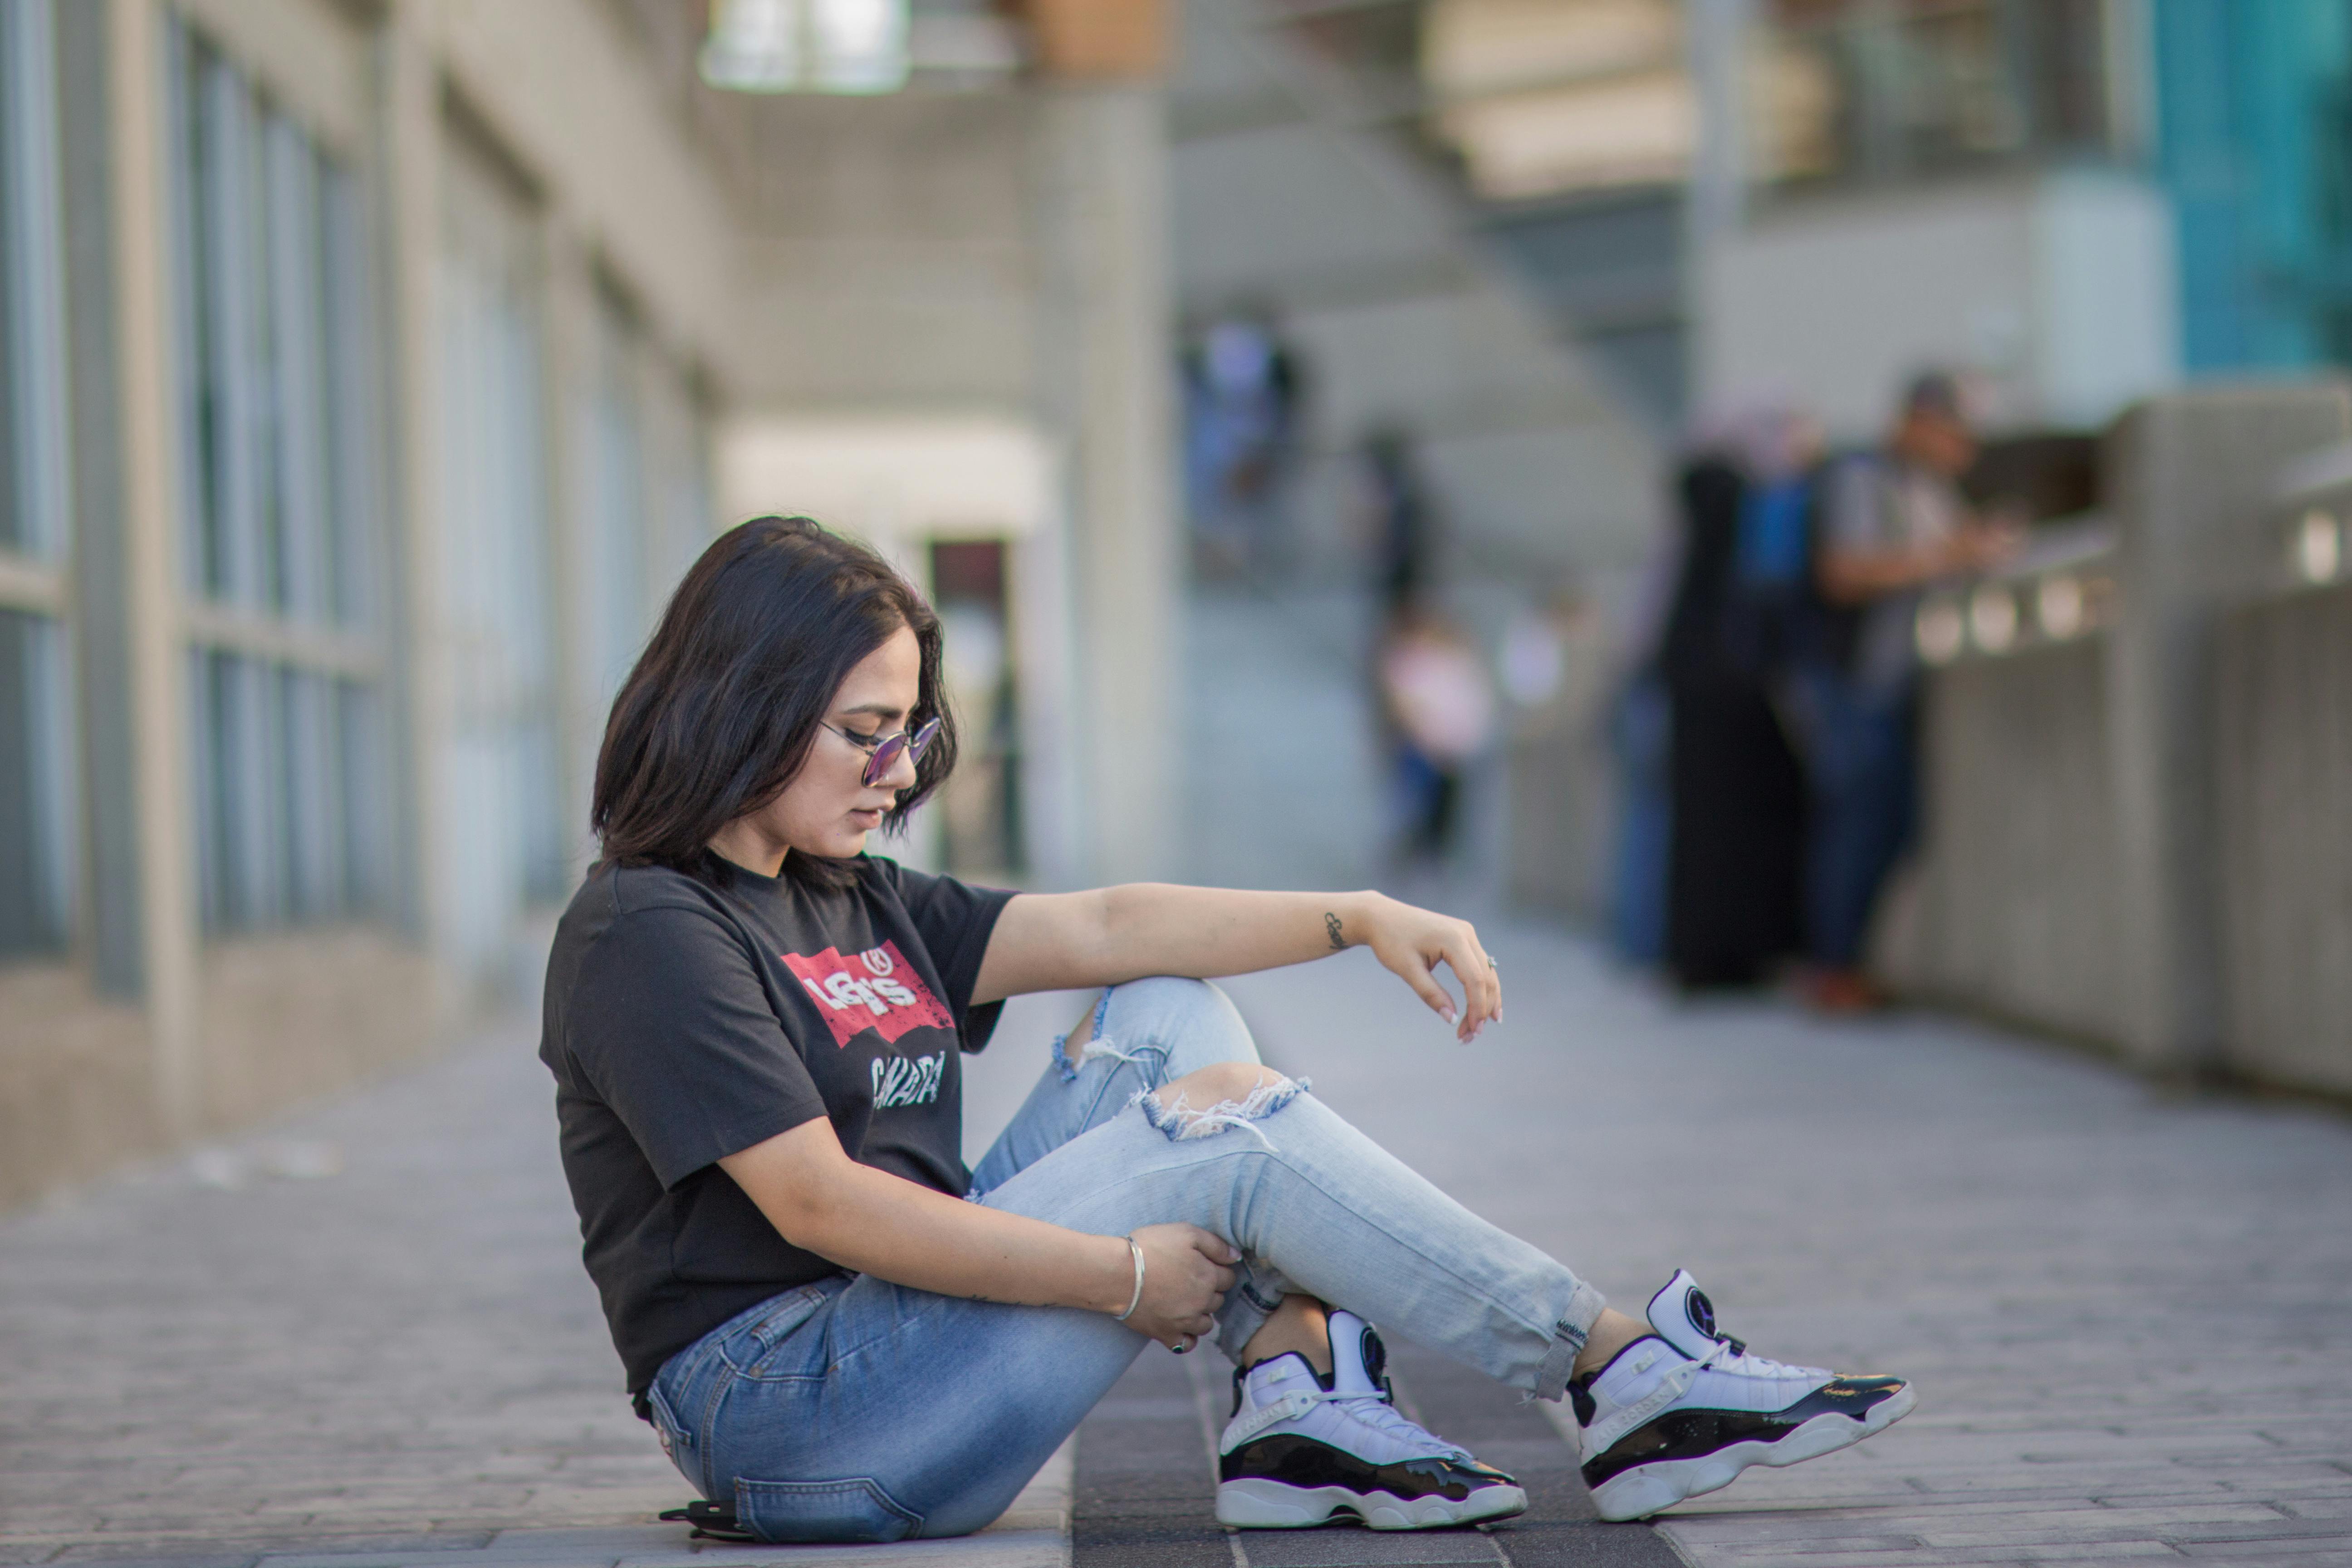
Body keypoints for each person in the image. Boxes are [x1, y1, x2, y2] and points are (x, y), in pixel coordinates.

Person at [539, 515, 1916, 1544]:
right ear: (749, 702)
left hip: (896, 1349)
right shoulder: (649, 929)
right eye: (865, 733)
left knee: (1168, 1018)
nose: (898, 772)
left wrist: (1362, 913)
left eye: (910, 733)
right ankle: (1612, 1366)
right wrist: (1120, 1281)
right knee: (1223, 1132)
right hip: (793, 1414)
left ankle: (1295, 1395)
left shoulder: (844, 891)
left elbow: (1109, 930)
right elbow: (825, 1207)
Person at [1801, 372, 2020, 1011]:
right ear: (1919, 421)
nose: (1964, 450)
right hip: (1856, 679)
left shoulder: (1928, 488)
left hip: (1899, 680)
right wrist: (1949, 555)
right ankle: (1834, 968)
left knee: (1893, 824)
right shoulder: (1861, 478)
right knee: (1860, 824)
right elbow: (1842, 571)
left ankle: (1846, 964)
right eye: (1956, 433)